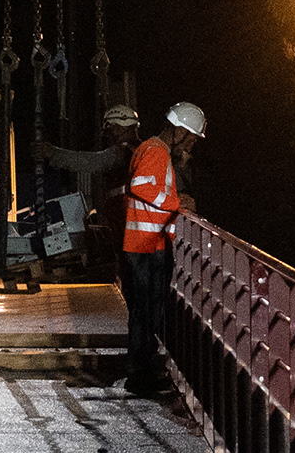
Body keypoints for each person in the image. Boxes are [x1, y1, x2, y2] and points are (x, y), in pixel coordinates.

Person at [117, 101, 203, 397]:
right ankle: (139, 376)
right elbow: (141, 186)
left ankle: (142, 371)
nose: (191, 143)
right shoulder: (156, 151)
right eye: (190, 137)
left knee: (145, 312)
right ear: (179, 130)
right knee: (146, 313)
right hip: (146, 245)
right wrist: (178, 204)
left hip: (145, 242)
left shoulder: (153, 149)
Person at [36, 102, 145, 274]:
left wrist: (53, 153)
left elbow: (90, 161)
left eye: (108, 130)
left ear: (117, 127)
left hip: (127, 218)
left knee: (130, 266)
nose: (107, 136)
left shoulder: (121, 152)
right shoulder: (141, 150)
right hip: (131, 218)